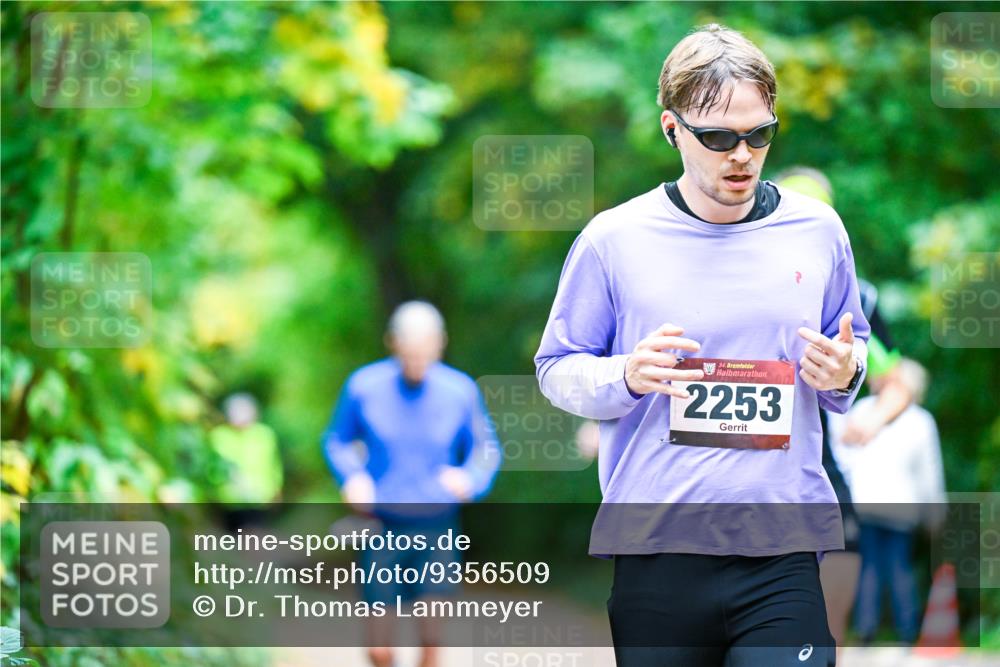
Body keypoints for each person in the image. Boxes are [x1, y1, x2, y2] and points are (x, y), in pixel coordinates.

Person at [535, 24, 871, 667]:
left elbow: (849, 352)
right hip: (659, 546)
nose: (741, 155)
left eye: (759, 134)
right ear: (671, 129)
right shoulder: (615, 238)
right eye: (718, 138)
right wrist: (625, 376)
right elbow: (556, 368)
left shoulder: (818, 229)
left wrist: (841, 370)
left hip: (781, 546)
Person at [776, 166, 915, 663]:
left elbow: (899, 380)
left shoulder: (855, 294)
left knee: (839, 562)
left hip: (822, 460)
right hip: (737, 462)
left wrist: (871, 420)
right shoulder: (721, 272)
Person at [322, 300, 501, 667]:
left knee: (431, 641)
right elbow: (336, 439)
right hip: (381, 525)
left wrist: (472, 477)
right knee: (378, 649)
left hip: (436, 524)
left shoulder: (460, 390)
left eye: (427, 348)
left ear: (441, 343)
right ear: (393, 342)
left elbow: (486, 447)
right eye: (411, 349)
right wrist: (352, 477)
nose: (418, 358)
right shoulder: (363, 385)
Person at [827, 359, 947, 646]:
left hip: (864, 501)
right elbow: (929, 472)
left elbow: (846, 457)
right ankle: (907, 632)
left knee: (867, 566)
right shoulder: (922, 421)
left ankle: (866, 630)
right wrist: (935, 512)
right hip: (901, 506)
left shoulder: (864, 410)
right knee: (899, 566)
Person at [209, 392, 283, 531]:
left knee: (253, 534)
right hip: (229, 499)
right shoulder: (218, 436)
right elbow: (212, 468)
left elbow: (274, 464)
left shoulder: (264, 435)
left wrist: (276, 488)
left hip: (259, 496)